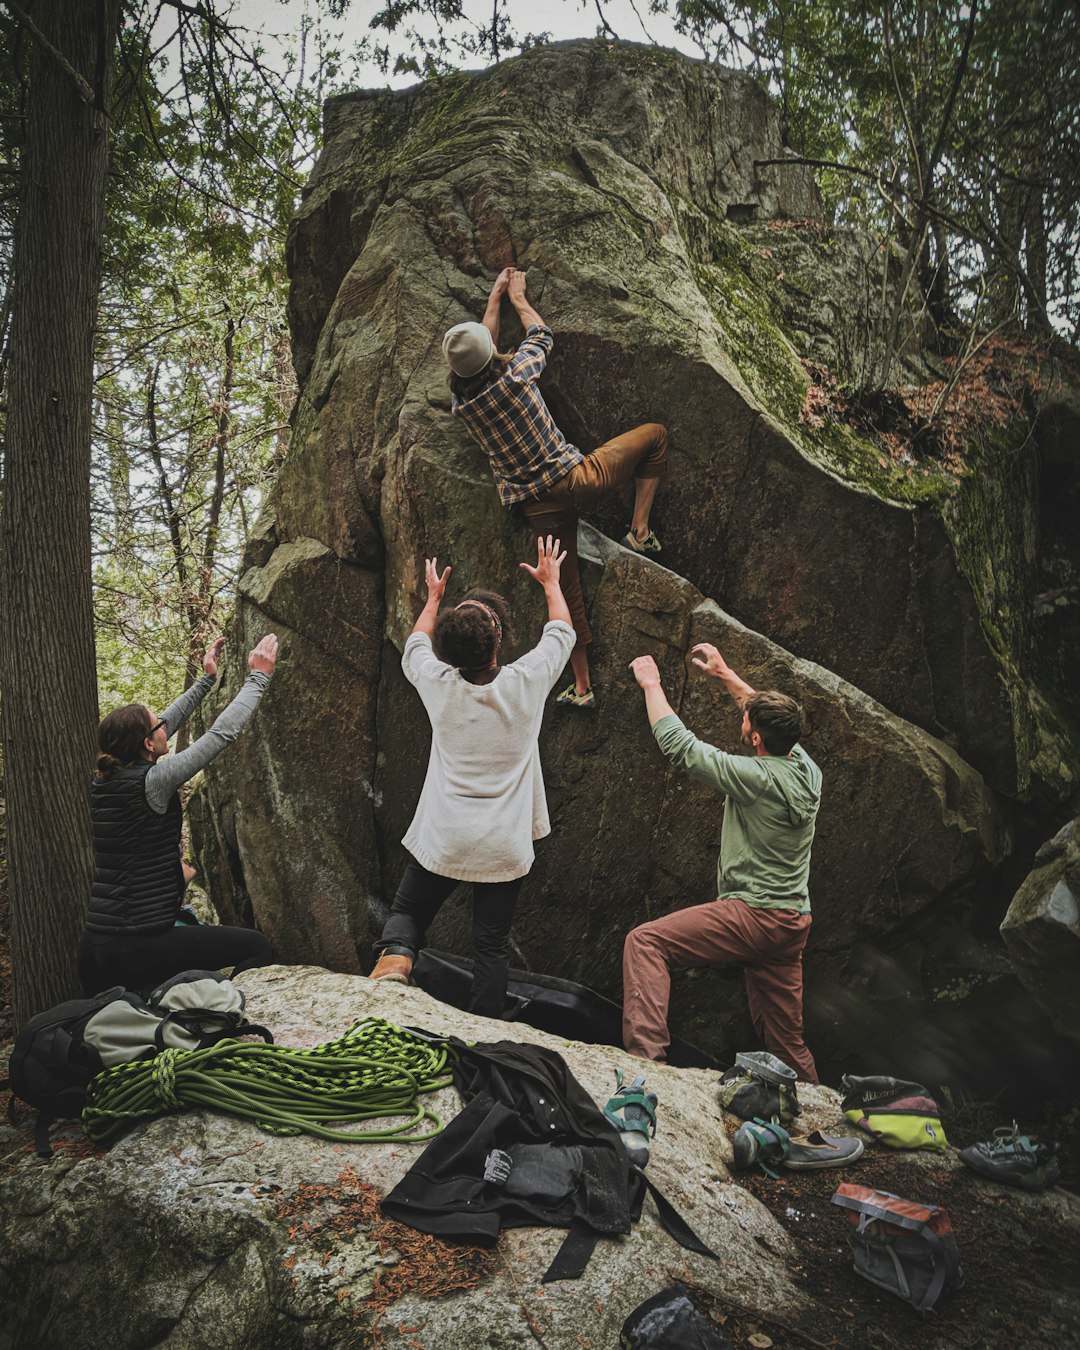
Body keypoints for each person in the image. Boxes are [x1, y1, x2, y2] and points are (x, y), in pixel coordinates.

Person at [442, 266, 668, 710]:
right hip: (577, 479)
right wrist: (518, 299)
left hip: (536, 506)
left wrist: (492, 302)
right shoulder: (518, 374)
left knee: (565, 591)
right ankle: (639, 532)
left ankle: (583, 687)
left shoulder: (463, 406)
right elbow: (541, 336)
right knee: (656, 435)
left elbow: (481, 356)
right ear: (492, 354)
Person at [370, 535, 576, 1017]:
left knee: (408, 914)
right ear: (498, 641)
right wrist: (551, 582)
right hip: (503, 845)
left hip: (445, 837)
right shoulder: (527, 683)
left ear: (449, 654)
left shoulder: (437, 685)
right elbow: (562, 632)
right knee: (490, 946)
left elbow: (415, 645)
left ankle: (396, 962)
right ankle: (485, 1030)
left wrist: (434, 598)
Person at [621, 643, 821, 1082]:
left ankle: (646, 1070)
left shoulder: (756, 777)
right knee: (788, 1044)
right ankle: (819, 1121)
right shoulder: (808, 770)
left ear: (754, 739)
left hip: (753, 915)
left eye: (747, 718)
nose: (742, 715)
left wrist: (651, 685)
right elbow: (765, 715)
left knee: (646, 943)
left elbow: (683, 749)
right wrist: (726, 674)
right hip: (791, 924)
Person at [78, 634, 279, 995]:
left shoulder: (107, 780)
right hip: (136, 945)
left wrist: (206, 681)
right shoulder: (153, 781)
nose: (165, 727)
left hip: (96, 947)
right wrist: (259, 677)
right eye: (157, 727)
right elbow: (220, 734)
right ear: (146, 743)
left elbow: (164, 722)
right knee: (255, 946)